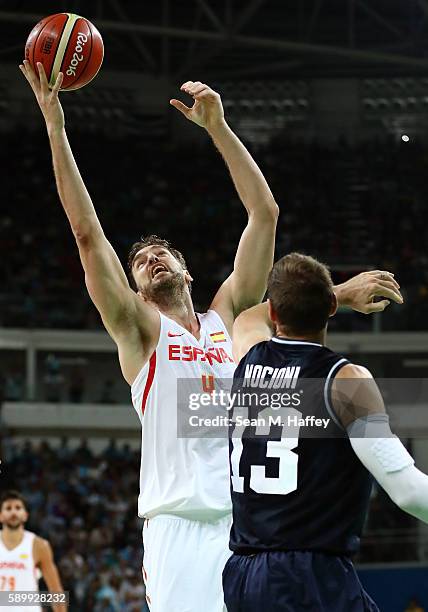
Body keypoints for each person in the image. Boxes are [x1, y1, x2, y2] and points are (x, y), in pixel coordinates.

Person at [19, 61, 402, 612]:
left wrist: (218, 129)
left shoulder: (229, 317)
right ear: (137, 292)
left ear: (187, 270)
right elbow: (86, 234)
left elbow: (264, 214)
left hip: (251, 532)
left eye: (161, 252)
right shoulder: (143, 335)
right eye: (140, 262)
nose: (150, 258)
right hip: (178, 530)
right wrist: (55, 125)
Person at [223, 252, 428, 612]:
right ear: (330, 308)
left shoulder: (246, 358)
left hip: (243, 575)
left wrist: (339, 293)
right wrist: (337, 296)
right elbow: (407, 490)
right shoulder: (345, 381)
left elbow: (245, 317)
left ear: (274, 313)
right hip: (310, 578)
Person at [0, 490, 66, 612]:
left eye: (18, 508)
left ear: (25, 515)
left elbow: (55, 590)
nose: (13, 512)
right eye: (8, 508)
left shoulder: (39, 545)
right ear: (1, 516)